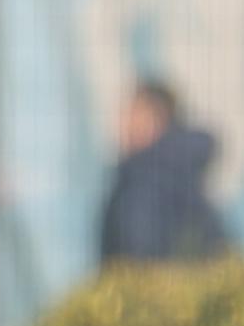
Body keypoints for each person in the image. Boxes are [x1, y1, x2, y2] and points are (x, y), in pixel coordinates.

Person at [96, 76, 229, 266]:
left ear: (158, 119)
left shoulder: (145, 180)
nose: (123, 125)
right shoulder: (178, 173)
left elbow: (140, 256)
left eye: (133, 114)